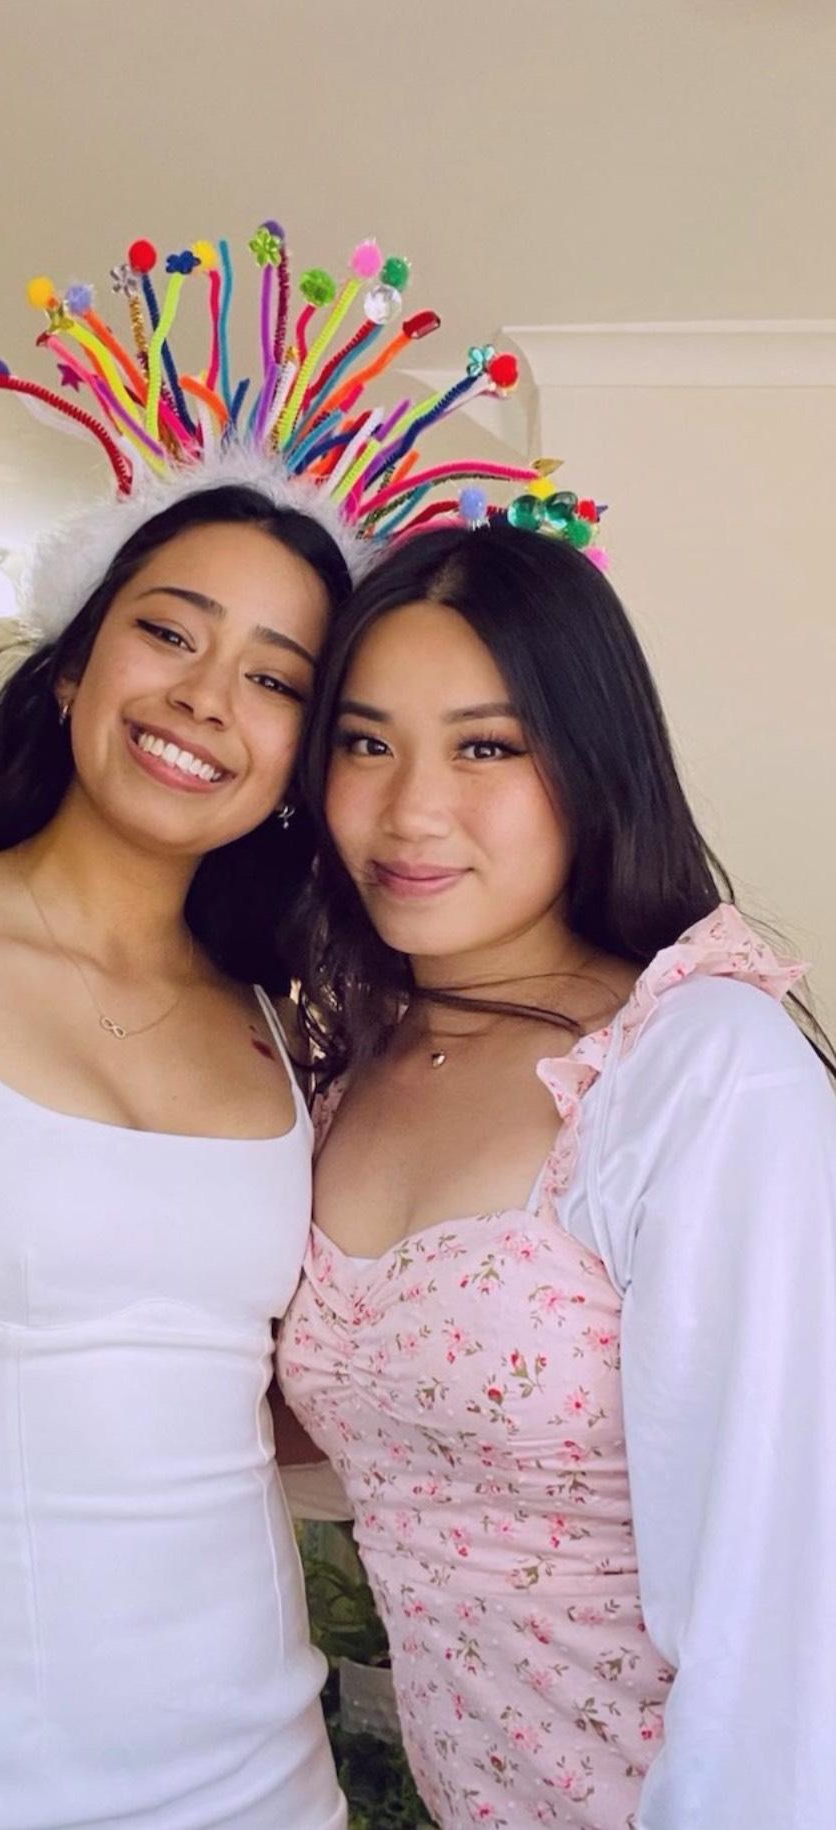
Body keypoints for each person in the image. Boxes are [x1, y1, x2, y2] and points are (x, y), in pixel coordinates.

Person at [0, 223, 524, 1829]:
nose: (204, 697)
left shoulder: (290, 1036)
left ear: (303, 760)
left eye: (277, 679)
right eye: (170, 630)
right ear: (72, 668)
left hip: (264, 1777)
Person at [278, 520, 836, 1829]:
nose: (412, 810)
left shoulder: (697, 1065)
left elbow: (784, 1596)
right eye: (365, 743)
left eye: (488, 746)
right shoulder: (346, 1069)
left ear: (591, 762)